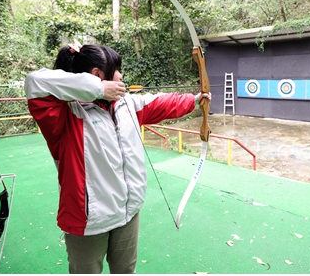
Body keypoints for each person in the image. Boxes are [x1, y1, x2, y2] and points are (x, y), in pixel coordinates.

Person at [24, 40, 210, 274]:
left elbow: (160, 103)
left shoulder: (125, 105)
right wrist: (100, 89)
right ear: (97, 74)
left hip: (128, 213)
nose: (121, 76)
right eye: (117, 70)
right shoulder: (64, 115)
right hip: (89, 223)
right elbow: (34, 81)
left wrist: (195, 100)